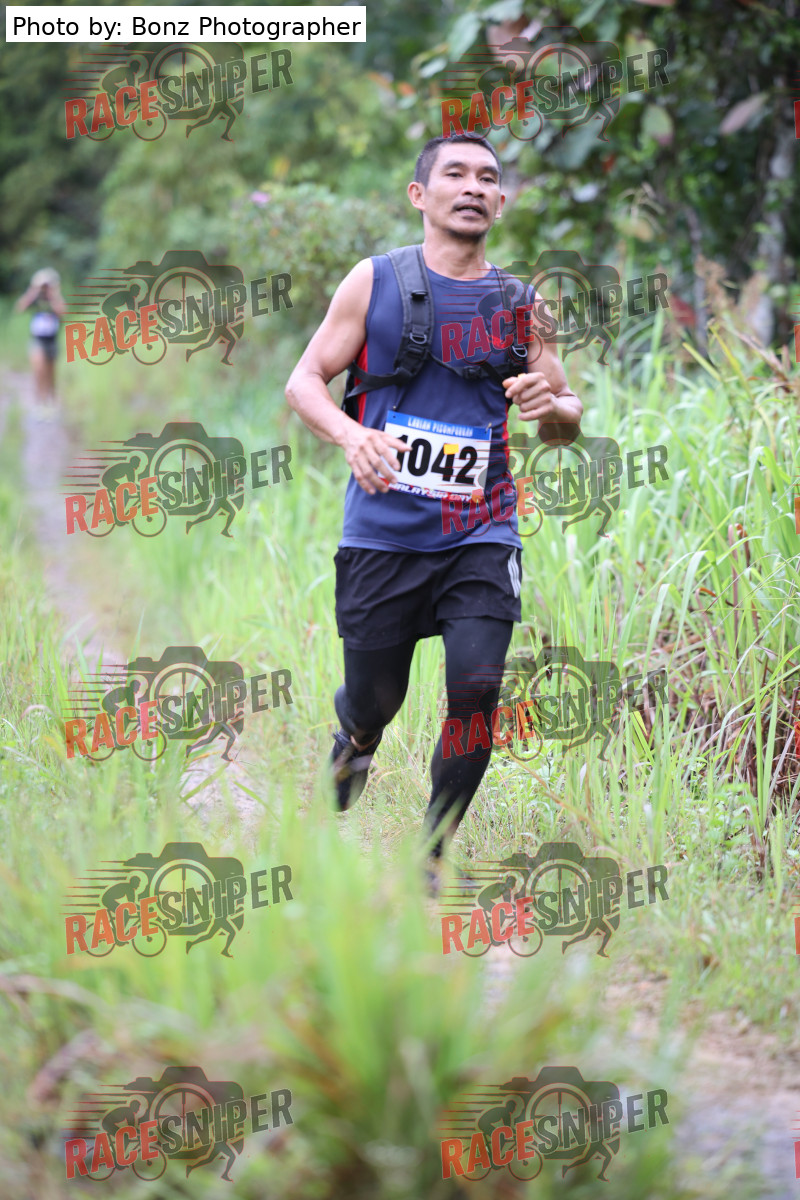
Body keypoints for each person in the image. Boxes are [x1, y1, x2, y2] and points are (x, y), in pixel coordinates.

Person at [285, 134, 583, 880]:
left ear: (501, 203)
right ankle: (356, 738)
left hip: (482, 530)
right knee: (375, 698)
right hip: (382, 531)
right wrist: (352, 435)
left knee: (476, 692)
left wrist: (552, 408)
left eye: (487, 177)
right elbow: (304, 380)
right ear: (420, 194)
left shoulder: (523, 305)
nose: (473, 186)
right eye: (455, 173)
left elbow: (565, 415)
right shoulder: (374, 281)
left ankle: (432, 853)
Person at [15, 268, 66, 408]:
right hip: (37, 340)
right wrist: (33, 291)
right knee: (38, 370)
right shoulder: (35, 299)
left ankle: (51, 401)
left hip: (52, 340)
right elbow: (20, 308)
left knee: (50, 373)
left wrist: (54, 294)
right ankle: (40, 402)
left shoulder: (54, 299)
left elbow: (62, 312)